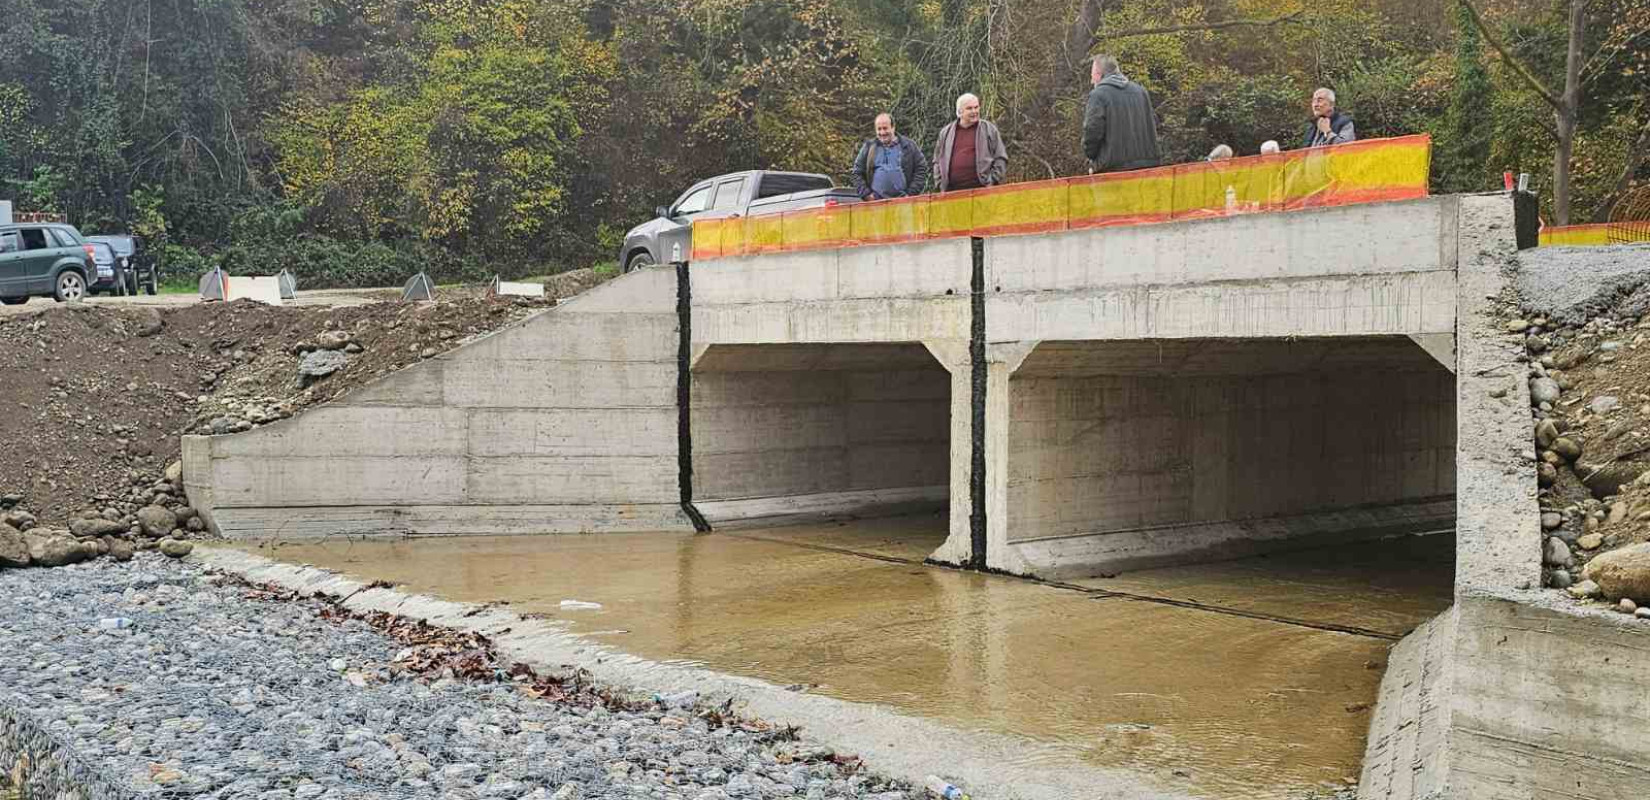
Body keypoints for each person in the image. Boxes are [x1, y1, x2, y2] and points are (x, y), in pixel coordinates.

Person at [1081, 55, 1161, 174]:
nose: (1091, 81)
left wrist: (1092, 157)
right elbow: (1153, 125)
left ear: (1098, 74)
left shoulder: (1098, 95)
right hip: (1148, 169)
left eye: (1092, 76)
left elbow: (1092, 129)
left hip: (1113, 170)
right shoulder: (1141, 92)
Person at [932, 93, 1007, 192]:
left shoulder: (989, 129)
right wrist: (940, 183)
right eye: (969, 108)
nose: (974, 111)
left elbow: (1000, 157)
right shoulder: (945, 133)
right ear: (960, 111)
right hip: (952, 194)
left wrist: (992, 181)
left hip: (983, 192)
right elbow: (937, 160)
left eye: (976, 107)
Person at [850, 113, 930, 200]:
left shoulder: (908, 146)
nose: (882, 132)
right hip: (876, 204)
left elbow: (921, 169)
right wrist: (867, 195)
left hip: (903, 203)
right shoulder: (869, 147)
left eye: (885, 128)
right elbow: (856, 173)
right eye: (879, 129)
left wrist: (911, 194)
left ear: (893, 127)